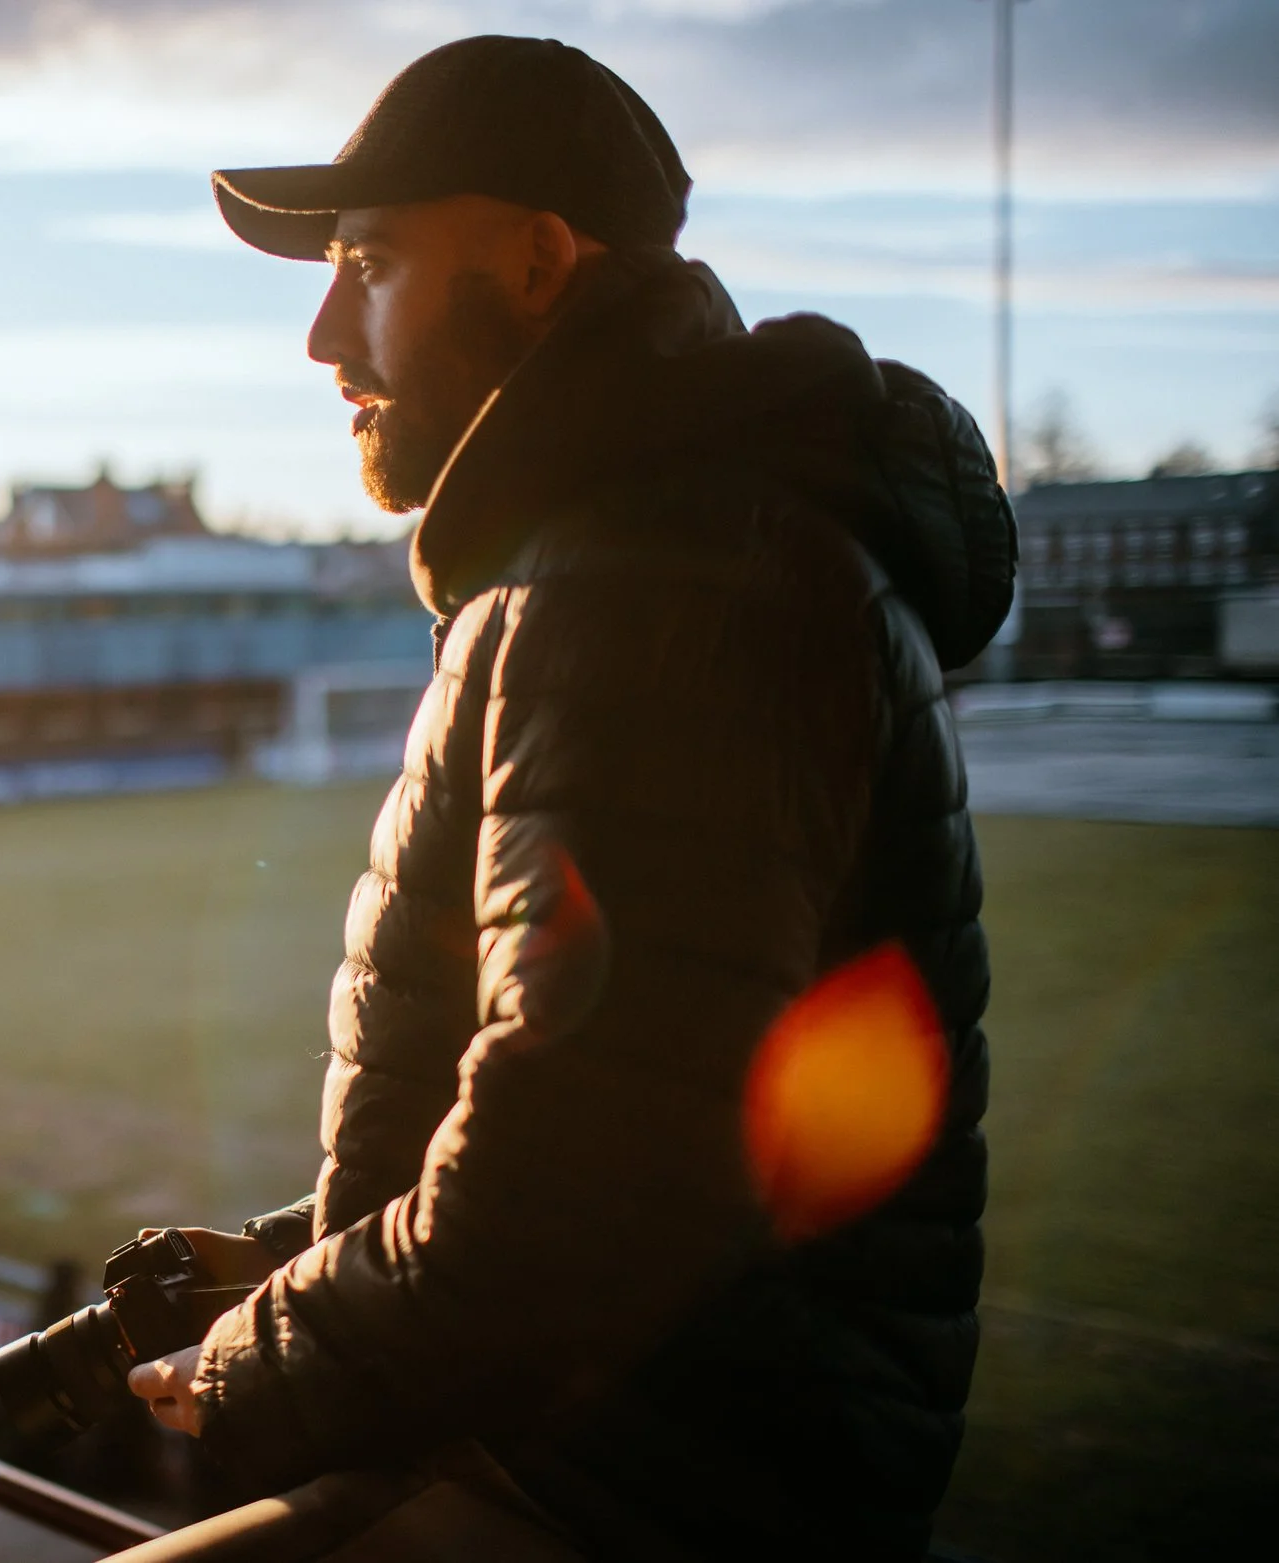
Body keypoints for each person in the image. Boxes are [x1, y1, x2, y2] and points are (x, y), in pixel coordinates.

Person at [118, 35, 1011, 1563]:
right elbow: (582, 1103)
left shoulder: (669, 579)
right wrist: (285, 1263)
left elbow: (589, 1180)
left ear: (538, 264)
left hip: (644, 1487)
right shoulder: (616, 558)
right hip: (594, 1441)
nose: (327, 333)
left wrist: (255, 1358)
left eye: (372, 263)